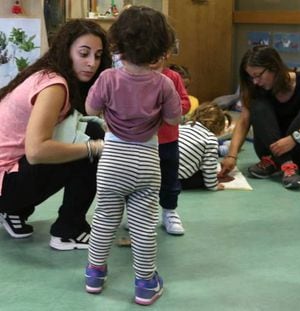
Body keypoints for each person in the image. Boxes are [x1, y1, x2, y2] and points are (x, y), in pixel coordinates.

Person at [83, 6, 181, 306]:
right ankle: (145, 284)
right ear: (162, 48)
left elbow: (90, 109)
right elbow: (175, 119)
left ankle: (95, 275)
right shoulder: (164, 83)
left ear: (117, 45)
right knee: (143, 226)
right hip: (147, 160)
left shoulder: (108, 79)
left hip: (112, 159)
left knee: (103, 219)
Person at [0, 19, 111, 250]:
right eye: (84, 53)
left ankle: (14, 211)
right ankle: (68, 231)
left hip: (7, 174)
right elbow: (36, 151)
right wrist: (96, 147)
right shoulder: (54, 86)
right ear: (66, 49)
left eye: (98, 55)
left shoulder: (47, 75)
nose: (92, 63)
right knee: (90, 144)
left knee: (89, 129)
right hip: (6, 184)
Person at [218, 45, 300, 190]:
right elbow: (244, 121)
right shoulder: (256, 89)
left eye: (258, 75)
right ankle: (286, 164)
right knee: (257, 106)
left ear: (274, 67)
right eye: (251, 77)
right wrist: (231, 155)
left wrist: (294, 138)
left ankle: (282, 163)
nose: (255, 81)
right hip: (271, 153)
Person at [150, 54, 190, 235]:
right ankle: (139, 215)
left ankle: (169, 211)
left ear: (165, 54)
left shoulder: (173, 77)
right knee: (141, 180)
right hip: (141, 141)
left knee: (169, 178)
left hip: (168, 140)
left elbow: (185, 103)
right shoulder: (134, 75)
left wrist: (167, 106)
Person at [179, 102, 231, 191]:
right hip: (175, 181)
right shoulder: (210, 139)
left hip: (156, 176)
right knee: (203, 176)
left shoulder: (180, 128)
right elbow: (209, 166)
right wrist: (213, 186)